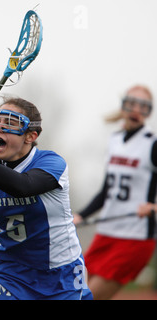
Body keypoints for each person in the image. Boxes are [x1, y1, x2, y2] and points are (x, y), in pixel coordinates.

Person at [0, 96, 92, 300]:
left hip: (61, 275)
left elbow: (23, 186)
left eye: (9, 123)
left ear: (30, 136)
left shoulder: (51, 162)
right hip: (12, 273)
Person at [73, 85, 157, 300]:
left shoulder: (152, 145)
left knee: (87, 298)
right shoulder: (114, 140)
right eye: (132, 104)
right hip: (106, 233)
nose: (137, 110)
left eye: (144, 106)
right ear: (124, 106)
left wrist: (154, 207)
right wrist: (81, 215)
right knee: (70, 292)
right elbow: (106, 191)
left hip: (135, 238)